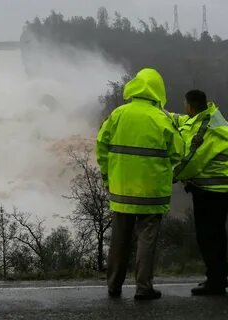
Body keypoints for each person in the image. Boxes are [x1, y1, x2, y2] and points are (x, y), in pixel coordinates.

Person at [96, 68, 184, 300]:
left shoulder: (118, 114)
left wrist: (107, 177)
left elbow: (101, 147)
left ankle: (114, 285)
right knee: (147, 240)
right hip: (152, 192)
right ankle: (144, 288)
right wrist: (167, 171)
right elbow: (178, 152)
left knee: (119, 239)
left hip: (122, 189)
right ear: (158, 91)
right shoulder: (161, 118)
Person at [174, 90, 228, 295]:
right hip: (221, 188)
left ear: (189, 105)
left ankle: (215, 281)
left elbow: (191, 161)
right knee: (218, 235)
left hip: (210, 190)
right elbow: (184, 121)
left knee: (208, 236)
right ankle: (220, 275)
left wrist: (172, 176)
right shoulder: (213, 118)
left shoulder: (205, 130)